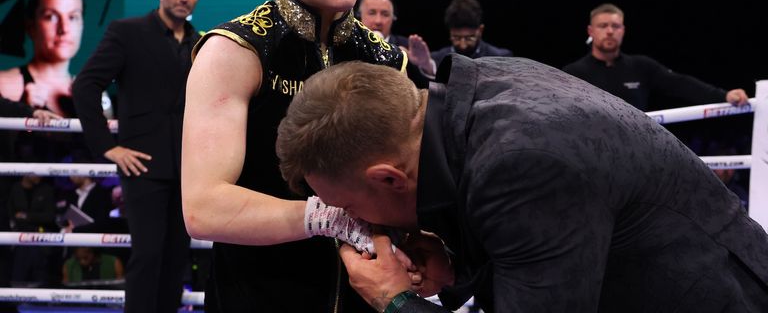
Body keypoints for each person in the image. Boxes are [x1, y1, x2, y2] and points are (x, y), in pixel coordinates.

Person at [276, 57, 768, 313]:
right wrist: (456, 263)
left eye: (348, 205)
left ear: (387, 177)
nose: (358, 221)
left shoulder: (520, 164)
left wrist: (395, 301)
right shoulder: (483, 87)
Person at [181, 0, 411, 311]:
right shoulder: (234, 50)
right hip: (258, 298)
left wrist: (423, 243)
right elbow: (203, 208)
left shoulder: (386, 60)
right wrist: (324, 217)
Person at [72, 0, 202, 313]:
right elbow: (85, 86)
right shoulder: (126, 32)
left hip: (188, 169)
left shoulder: (200, 44)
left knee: (177, 257)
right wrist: (108, 147)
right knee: (147, 255)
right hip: (141, 164)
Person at [563, 3, 749, 111]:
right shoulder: (573, 73)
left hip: (637, 152)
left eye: (616, 26)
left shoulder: (641, 66)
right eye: (603, 26)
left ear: (623, 30)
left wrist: (723, 95)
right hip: (591, 155)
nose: (610, 31)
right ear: (591, 30)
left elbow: (681, 84)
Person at [0, 0, 84, 117]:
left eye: (73, 17)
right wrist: (22, 112)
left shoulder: (93, 93)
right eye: (51, 17)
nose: (64, 28)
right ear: (31, 25)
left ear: (82, 25)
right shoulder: (4, 86)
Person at [358, 0, 432, 86]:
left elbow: (426, 88)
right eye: (372, 13)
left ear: (393, 19)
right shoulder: (348, 43)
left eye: (385, 14)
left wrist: (425, 66)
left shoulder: (408, 48)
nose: (378, 21)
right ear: (359, 15)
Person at [426, 0, 512, 75]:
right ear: (450, 31)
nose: (463, 45)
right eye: (456, 37)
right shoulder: (434, 60)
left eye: (469, 38)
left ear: (480, 30)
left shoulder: (501, 59)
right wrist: (427, 66)